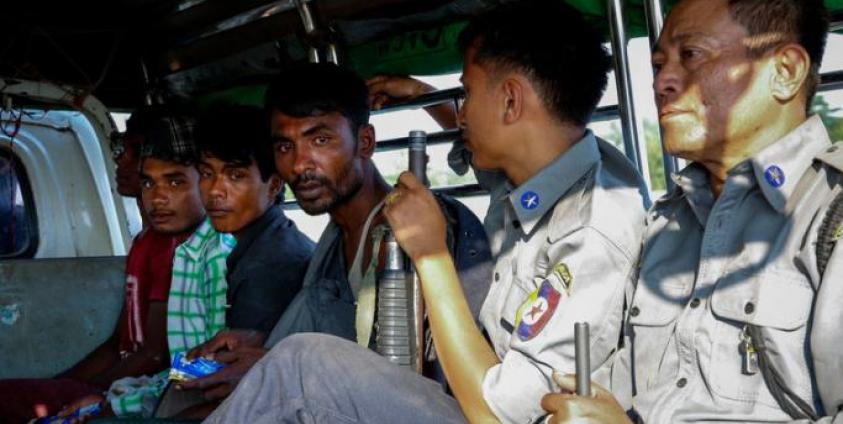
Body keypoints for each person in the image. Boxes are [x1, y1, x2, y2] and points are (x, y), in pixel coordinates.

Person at [203, 0, 648, 422]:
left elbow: (499, 414)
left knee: (302, 365)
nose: (463, 110)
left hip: (490, 412)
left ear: (511, 102)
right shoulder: (545, 177)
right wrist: (420, 92)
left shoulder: (592, 233)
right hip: (473, 397)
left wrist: (430, 255)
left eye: (468, 93)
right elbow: (477, 148)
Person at [541, 0, 843, 422]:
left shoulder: (831, 216)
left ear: (785, 71)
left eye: (692, 55)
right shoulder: (665, 224)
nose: (662, 81)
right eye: (659, 63)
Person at [178, 62, 493, 412]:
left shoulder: (422, 229)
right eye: (285, 147)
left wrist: (275, 367)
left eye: (320, 140)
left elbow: (416, 375)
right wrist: (262, 347)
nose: (300, 164)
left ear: (365, 142)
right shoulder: (331, 244)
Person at [0, 107, 198, 423]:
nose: (120, 160)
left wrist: (88, 393)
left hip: (141, 388)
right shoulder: (146, 242)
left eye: (133, 151)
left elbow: (154, 354)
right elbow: (116, 344)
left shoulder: (180, 250)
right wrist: (62, 384)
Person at [195, 103, 314, 336]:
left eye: (236, 175)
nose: (215, 191)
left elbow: (249, 368)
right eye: (207, 174)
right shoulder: (274, 240)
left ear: (274, 185)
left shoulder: (267, 268)